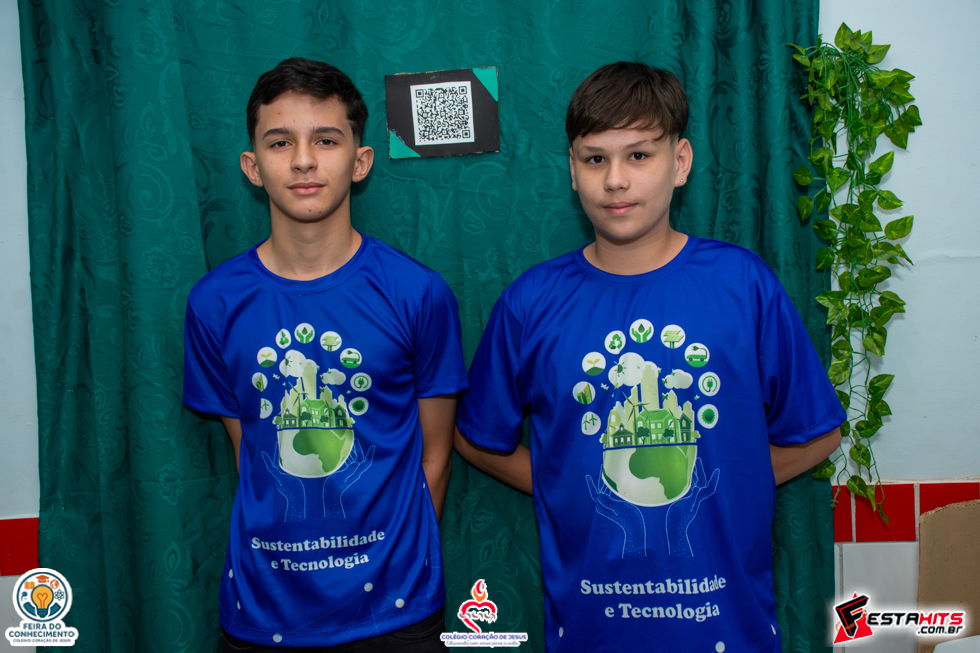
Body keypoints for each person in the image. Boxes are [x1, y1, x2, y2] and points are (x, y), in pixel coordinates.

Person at [454, 62, 844, 651]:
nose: (615, 180)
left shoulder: (743, 284)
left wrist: (729, 483)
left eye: (638, 155)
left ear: (680, 162)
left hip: (727, 629)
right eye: (595, 159)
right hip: (591, 632)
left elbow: (818, 433)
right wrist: (567, 485)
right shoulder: (531, 302)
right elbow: (477, 438)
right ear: (572, 170)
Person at [183, 58, 467, 651]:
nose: (304, 160)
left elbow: (435, 456)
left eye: (326, 140)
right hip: (264, 613)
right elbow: (251, 452)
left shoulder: (417, 293)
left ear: (360, 161)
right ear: (252, 166)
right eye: (280, 142)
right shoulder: (214, 303)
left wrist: (392, 570)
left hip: (396, 616)